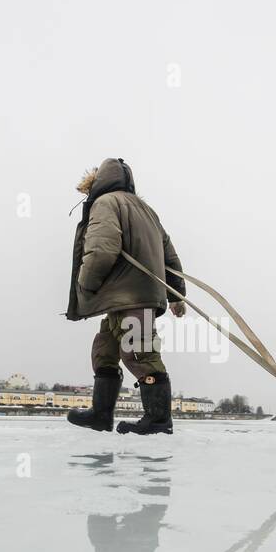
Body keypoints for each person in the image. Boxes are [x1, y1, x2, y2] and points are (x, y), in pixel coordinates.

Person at [65, 158, 186, 435]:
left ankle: (158, 418)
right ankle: (100, 414)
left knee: (139, 352)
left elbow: (102, 249)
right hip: (123, 298)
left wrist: (85, 285)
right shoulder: (147, 210)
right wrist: (176, 294)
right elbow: (170, 256)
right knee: (104, 350)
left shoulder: (106, 203)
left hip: (131, 295)